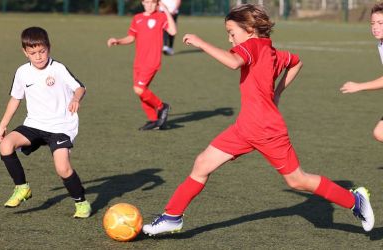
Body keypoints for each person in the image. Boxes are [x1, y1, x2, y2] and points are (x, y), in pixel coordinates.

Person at [142, 4, 374, 235]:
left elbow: (234, 63)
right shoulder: (269, 50)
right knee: (202, 163)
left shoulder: (252, 46)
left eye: (232, 33)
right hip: (245, 127)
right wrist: (278, 92)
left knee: (297, 180)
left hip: (266, 129)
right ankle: (172, 216)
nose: (230, 40)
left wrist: (201, 42)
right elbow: (296, 61)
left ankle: (355, 201)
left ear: (250, 29)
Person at [0, 27, 91, 218]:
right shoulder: (22, 72)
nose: (38, 57)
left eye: (42, 51)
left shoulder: (58, 69)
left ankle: (81, 202)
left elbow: (80, 88)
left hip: (60, 127)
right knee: (6, 145)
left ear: (49, 48)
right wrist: (2, 124)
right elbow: (15, 99)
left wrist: (75, 99)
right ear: (25, 52)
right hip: (34, 124)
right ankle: (22, 188)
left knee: (62, 167)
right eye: (32, 53)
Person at [107, 0, 177, 130]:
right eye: (147, 2)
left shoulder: (161, 17)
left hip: (152, 61)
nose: (150, 5)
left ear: (157, 4)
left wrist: (166, 11)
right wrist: (118, 41)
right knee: (141, 92)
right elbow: (131, 37)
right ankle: (154, 121)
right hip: (139, 62)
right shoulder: (137, 18)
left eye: (153, 3)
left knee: (139, 88)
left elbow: (172, 31)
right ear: (142, 3)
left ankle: (162, 106)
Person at [340, 2, 383, 143]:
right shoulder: (381, 44)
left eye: (380, 23)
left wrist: (360, 86)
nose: (375, 27)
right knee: (380, 132)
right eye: (373, 23)